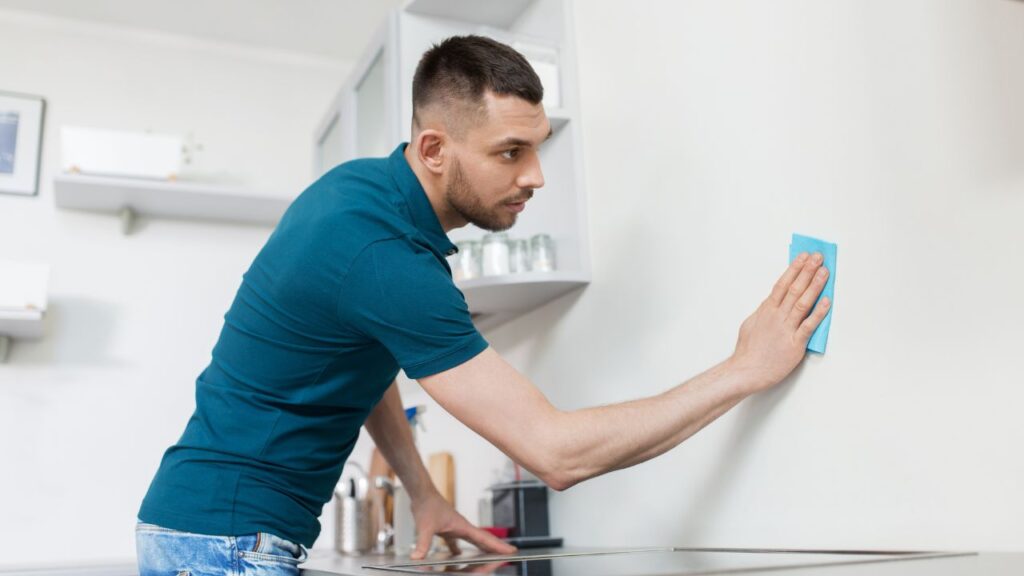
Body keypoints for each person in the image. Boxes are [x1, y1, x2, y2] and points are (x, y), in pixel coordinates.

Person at [136, 35, 831, 576]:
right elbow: (555, 453)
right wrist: (744, 368)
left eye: (538, 149)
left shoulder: (364, 197)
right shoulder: (384, 255)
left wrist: (423, 492)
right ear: (435, 148)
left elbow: (361, 362)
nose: (534, 176)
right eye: (510, 152)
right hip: (224, 544)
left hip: (207, 529)